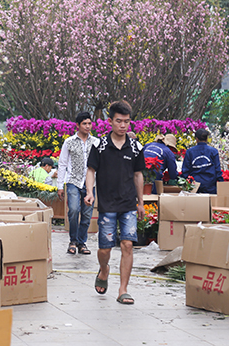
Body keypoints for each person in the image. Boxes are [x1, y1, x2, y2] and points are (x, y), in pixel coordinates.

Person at [85, 100, 145, 305]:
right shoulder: (99, 146)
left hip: (128, 204)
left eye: (127, 122)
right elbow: (91, 170)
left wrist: (141, 202)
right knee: (105, 249)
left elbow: (138, 175)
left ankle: (123, 289)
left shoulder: (136, 147)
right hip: (107, 205)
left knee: (127, 244)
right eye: (119, 121)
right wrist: (89, 192)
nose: (123, 125)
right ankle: (104, 269)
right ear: (109, 121)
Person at [57, 112, 99, 256]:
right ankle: (73, 241)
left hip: (90, 184)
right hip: (73, 182)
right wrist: (59, 186)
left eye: (89, 123)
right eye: (84, 124)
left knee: (87, 215)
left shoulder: (96, 142)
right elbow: (62, 164)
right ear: (78, 125)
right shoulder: (69, 142)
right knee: (74, 210)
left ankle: (82, 242)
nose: (88, 126)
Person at [182, 128, 223, 194]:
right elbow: (217, 170)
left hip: (194, 186)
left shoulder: (190, 152)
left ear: (196, 139)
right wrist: (221, 183)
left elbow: (185, 171)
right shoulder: (213, 151)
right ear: (206, 139)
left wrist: (187, 184)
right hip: (210, 185)